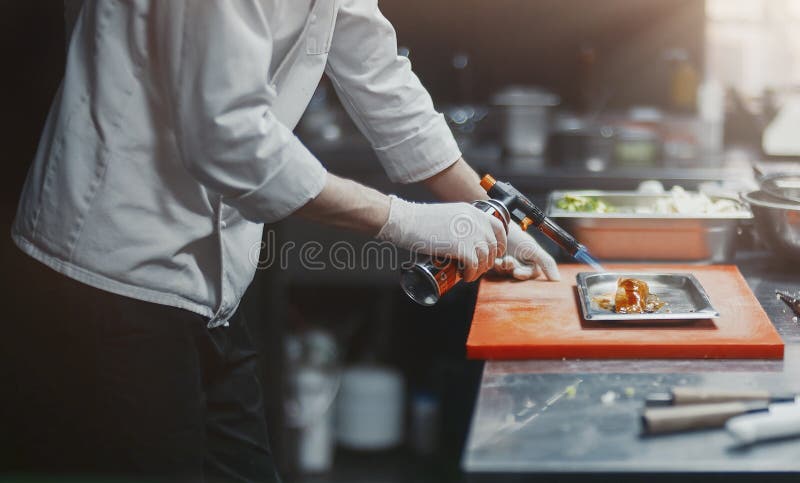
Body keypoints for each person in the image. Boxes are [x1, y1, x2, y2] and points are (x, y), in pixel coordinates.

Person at [6, 1, 559, 481]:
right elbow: (229, 137)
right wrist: (407, 222)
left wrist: (490, 219)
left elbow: (377, 69)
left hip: (209, 292)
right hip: (110, 281)